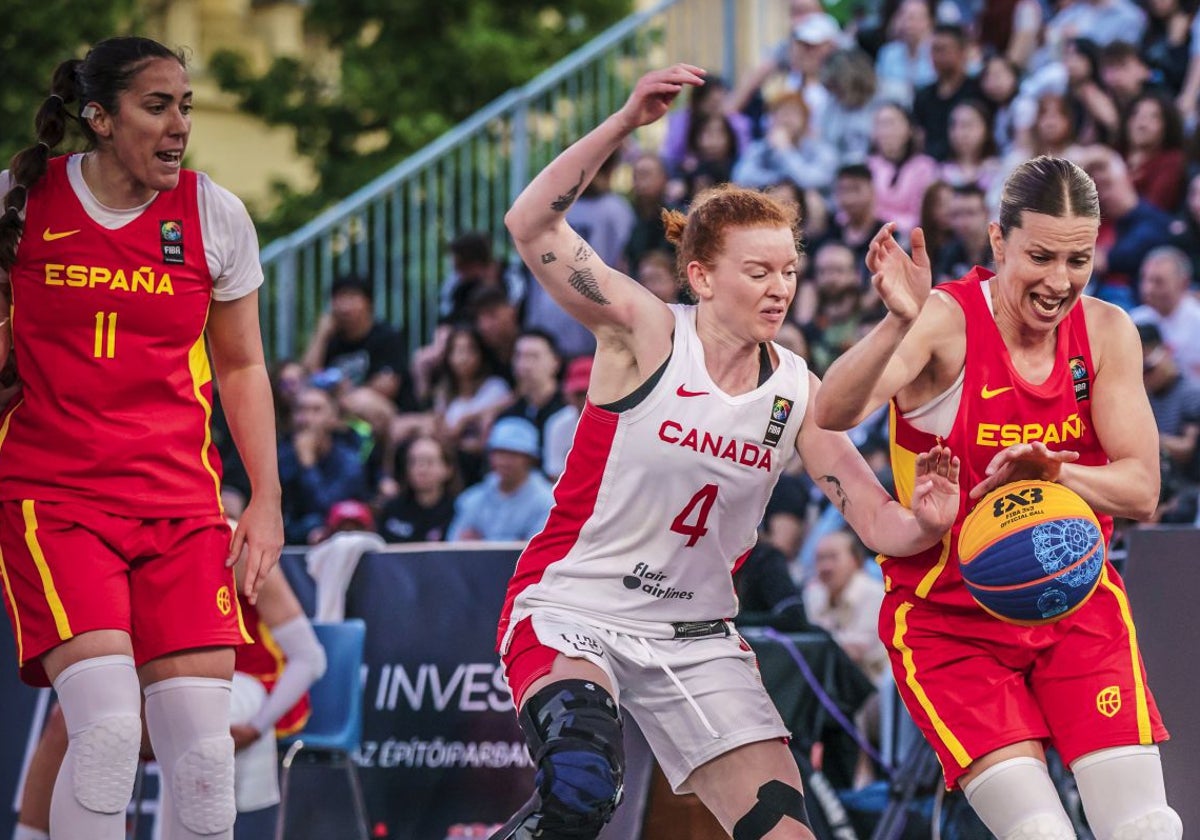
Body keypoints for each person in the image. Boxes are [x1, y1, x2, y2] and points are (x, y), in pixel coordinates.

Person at [491, 64, 962, 840]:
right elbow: (530, 225)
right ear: (703, 276)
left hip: (697, 635)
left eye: (789, 271)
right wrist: (623, 123)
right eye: (759, 271)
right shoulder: (644, 330)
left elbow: (881, 525)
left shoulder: (798, 390)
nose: (780, 288)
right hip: (576, 606)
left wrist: (928, 521)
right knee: (581, 791)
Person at [814, 155, 1181, 839]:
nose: (1058, 280)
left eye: (1078, 260)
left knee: (1147, 826)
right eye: (1040, 256)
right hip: (950, 622)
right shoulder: (945, 321)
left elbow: (1143, 489)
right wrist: (898, 321)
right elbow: (832, 411)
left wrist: (1056, 477)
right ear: (998, 241)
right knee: (1038, 834)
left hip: (1074, 603)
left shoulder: (1106, 333)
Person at [0, 36, 283, 840]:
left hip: (181, 506)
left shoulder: (214, 213)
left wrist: (266, 498)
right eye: (156, 106)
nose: (179, 125)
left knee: (202, 760)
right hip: (54, 500)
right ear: (99, 117)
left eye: (185, 106)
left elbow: (242, 366)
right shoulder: (19, 204)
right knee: (108, 734)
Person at [12, 561, 325, 840]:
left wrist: (257, 727)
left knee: (188, 729)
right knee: (73, 721)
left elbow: (310, 658)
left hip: (248, 688)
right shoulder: (131, 541)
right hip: (166, 679)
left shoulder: (238, 546)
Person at [446, 416, 554, 542]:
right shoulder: (473, 499)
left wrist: (481, 542)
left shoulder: (546, 501)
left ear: (529, 459)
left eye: (513, 454)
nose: (504, 461)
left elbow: (536, 551)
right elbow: (455, 544)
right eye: (500, 453)